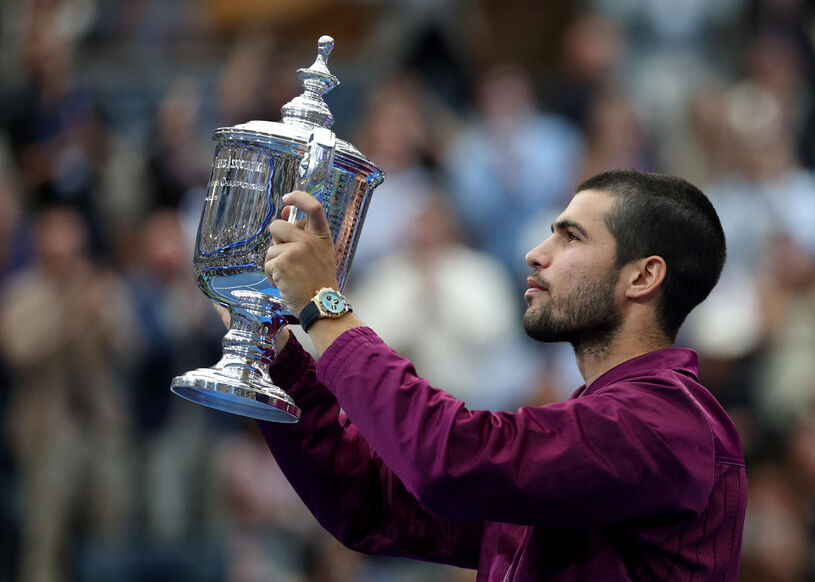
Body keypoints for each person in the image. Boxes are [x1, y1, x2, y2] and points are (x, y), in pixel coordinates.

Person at [257, 169, 747, 580]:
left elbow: (447, 458)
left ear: (642, 277)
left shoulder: (662, 424)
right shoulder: (597, 427)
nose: (536, 253)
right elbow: (369, 501)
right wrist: (273, 351)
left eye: (570, 236)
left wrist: (325, 308)